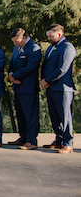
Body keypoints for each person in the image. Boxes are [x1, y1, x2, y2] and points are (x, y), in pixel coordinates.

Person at [40, 24, 76, 154]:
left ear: (59, 34)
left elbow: (62, 69)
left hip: (63, 88)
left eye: (51, 36)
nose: (49, 38)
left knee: (65, 116)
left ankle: (68, 143)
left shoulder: (67, 47)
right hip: (51, 88)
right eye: (48, 36)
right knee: (55, 116)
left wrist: (47, 80)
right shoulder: (51, 48)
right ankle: (59, 139)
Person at [7, 28, 41, 150]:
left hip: (28, 87)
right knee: (20, 114)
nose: (16, 44)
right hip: (18, 87)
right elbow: (12, 63)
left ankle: (32, 140)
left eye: (17, 42)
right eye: (14, 42)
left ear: (24, 38)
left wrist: (15, 76)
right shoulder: (17, 48)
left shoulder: (34, 48)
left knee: (30, 115)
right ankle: (23, 137)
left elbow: (31, 67)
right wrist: (10, 75)